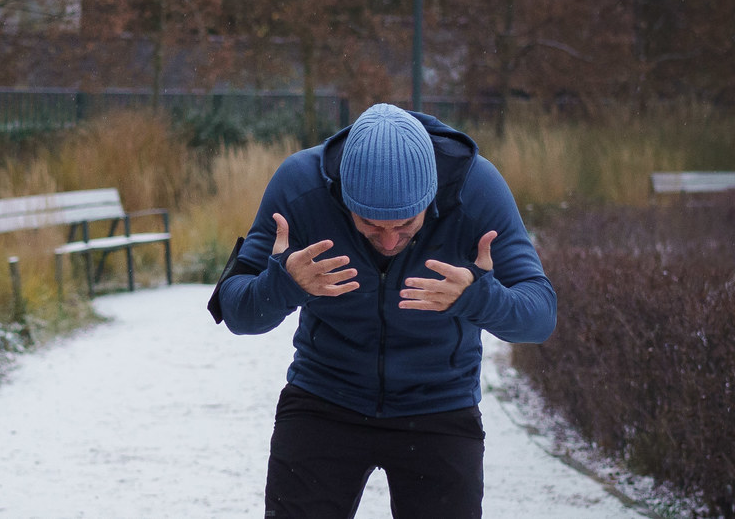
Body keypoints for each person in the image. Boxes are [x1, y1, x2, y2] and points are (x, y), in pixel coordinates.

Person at [208, 103, 556, 519]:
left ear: (432, 195)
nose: (389, 241)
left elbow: (540, 317)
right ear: (342, 198)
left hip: (439, 405)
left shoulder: (476, 190)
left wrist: (479, 297)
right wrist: (282, 284)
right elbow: (235, 310)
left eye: (406, 224)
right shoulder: (301, 187)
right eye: (371, 225)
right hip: (324, 398)